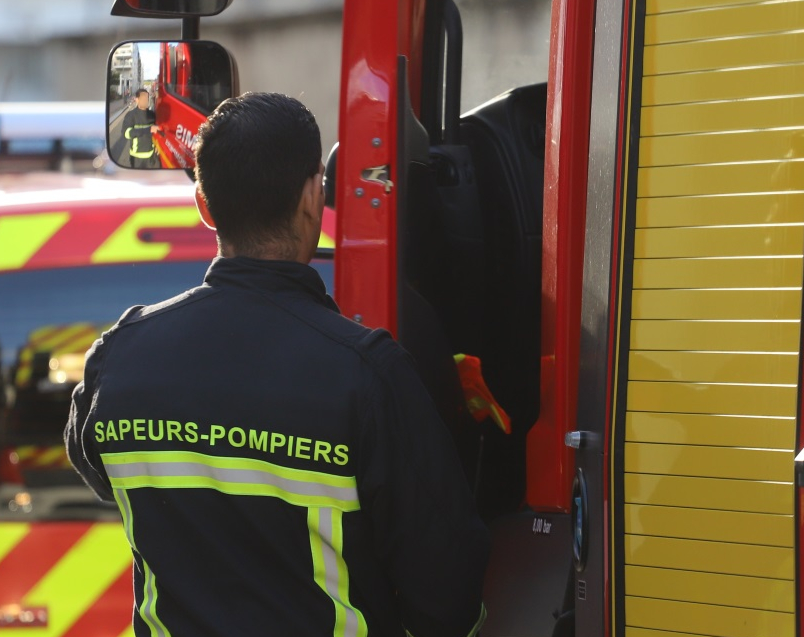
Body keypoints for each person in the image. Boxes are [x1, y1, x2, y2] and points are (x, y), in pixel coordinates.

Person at [65, 92, 490, 637]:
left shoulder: (118, 359)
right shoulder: (366, 375)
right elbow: (448, 590)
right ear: (313, 196)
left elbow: (102, 472)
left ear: (204, 205)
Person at [119, 88, 161, 167]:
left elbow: (156, 133)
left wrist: (158, 145)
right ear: (137, 99)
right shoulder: (131, 115)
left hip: (151, 155)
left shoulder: (152, 114)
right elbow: (126, 134)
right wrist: (149, 129)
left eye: (147, 98)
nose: (145, 100)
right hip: (136, 158)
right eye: (143, 98)